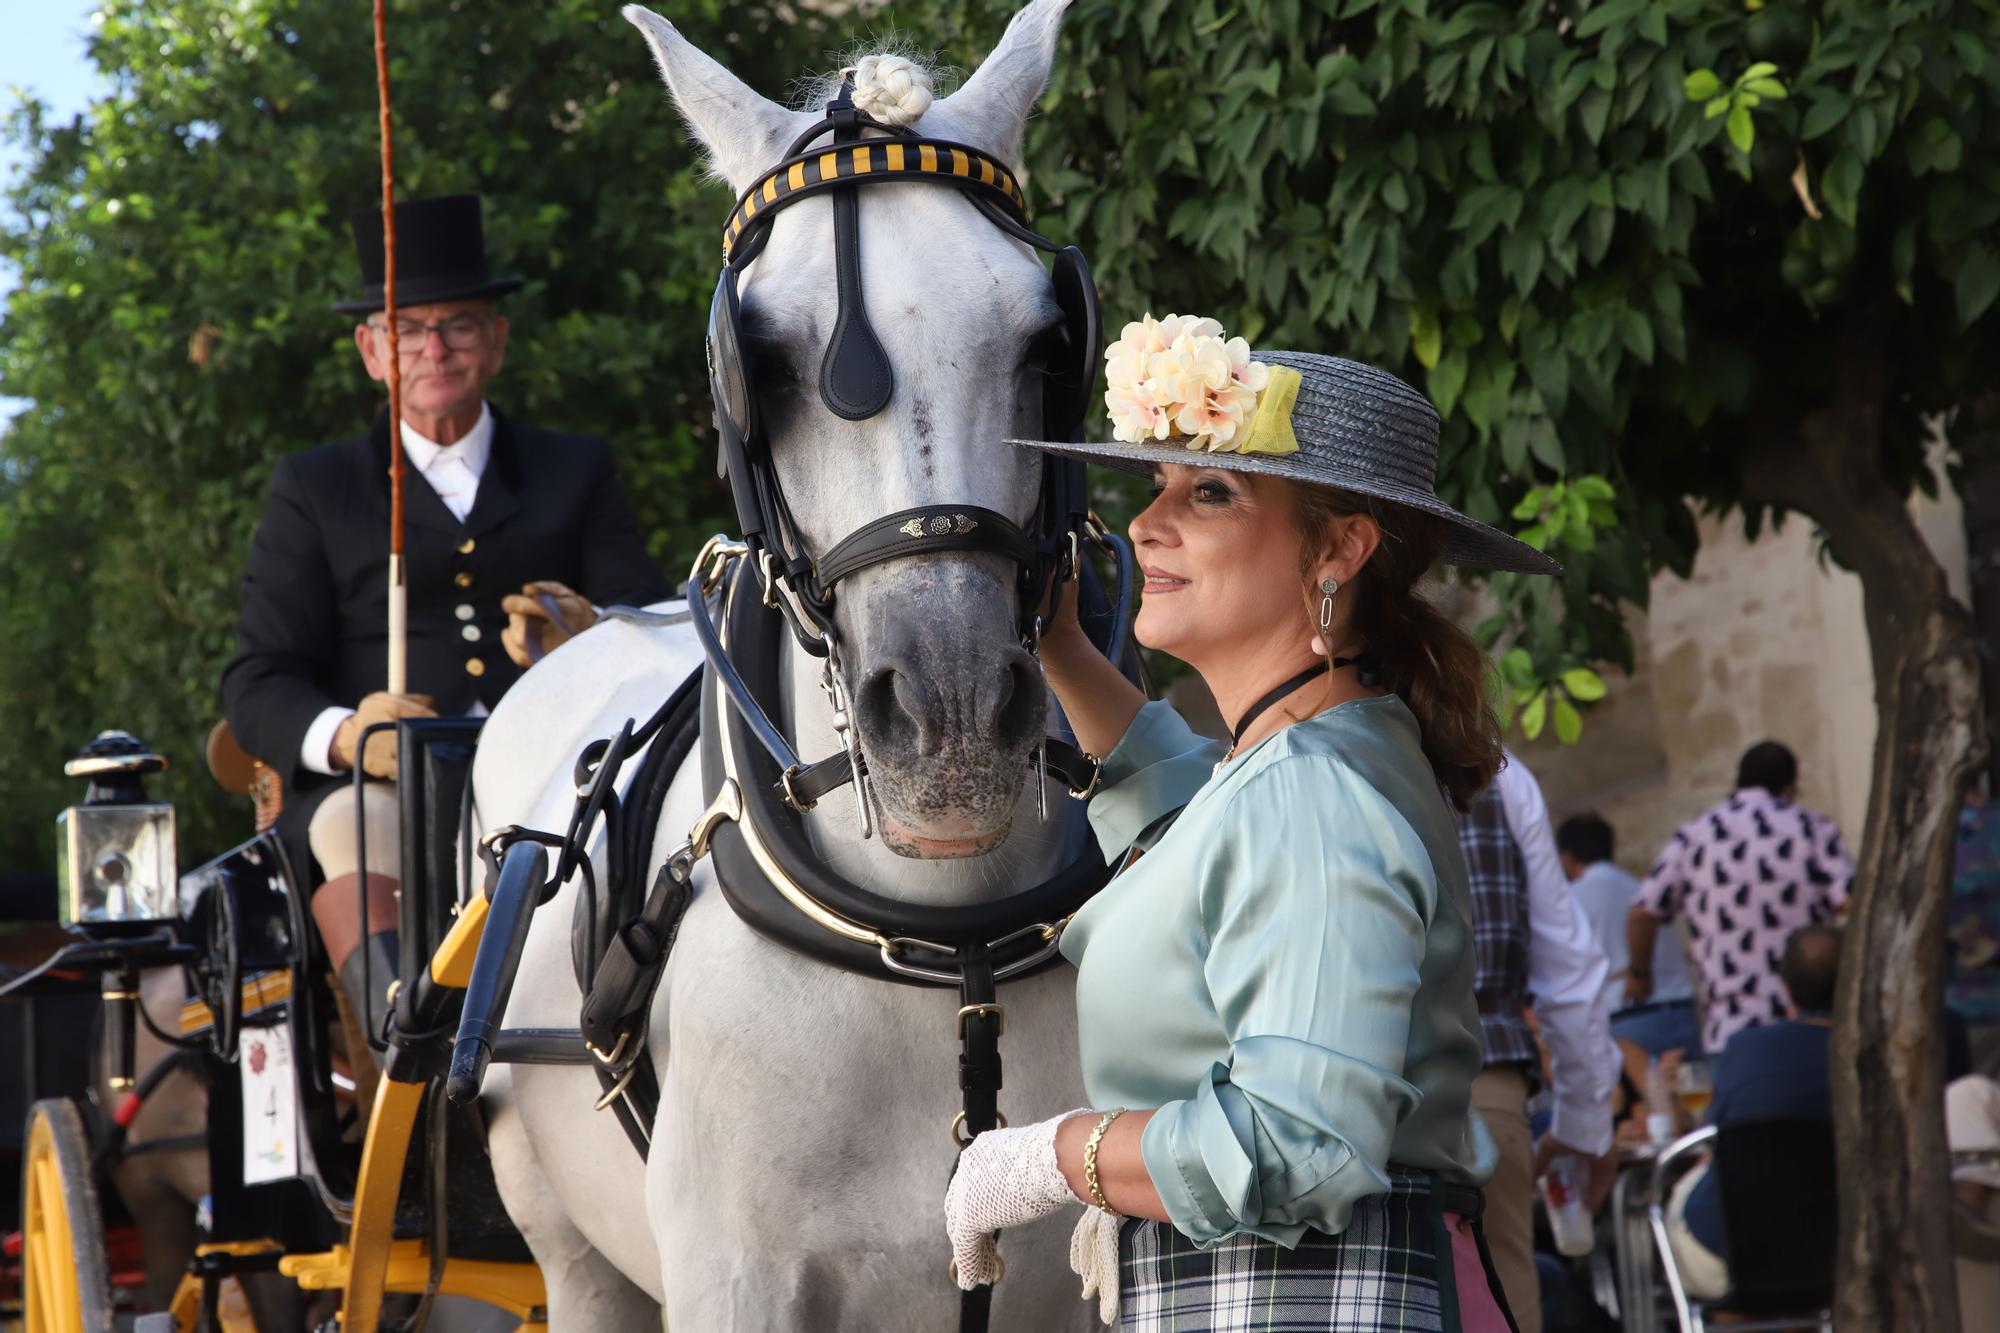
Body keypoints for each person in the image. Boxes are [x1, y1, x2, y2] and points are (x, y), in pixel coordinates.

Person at [941, 316, 1565, 1328]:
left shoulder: (1312, 788)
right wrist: (1059, 645)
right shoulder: (1313, 751)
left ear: (1338, 550)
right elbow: (1191, 819)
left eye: (1209, 491)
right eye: (1155, 486)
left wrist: (1055, 1154)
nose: (1145, 524)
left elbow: (1295, 1141)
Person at [220, 194, 667, 1047]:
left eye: (458, 325)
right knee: (358, 824)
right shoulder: (317, 488)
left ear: (495, 342)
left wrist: (596, 635)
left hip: (551, 777)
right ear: (372, 352)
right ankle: (410, 1057)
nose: (435, 348)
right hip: (382, 793)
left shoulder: (574, 470)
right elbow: (257, 678)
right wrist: (350, 736)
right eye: (408, 329)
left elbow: (651, 626)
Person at [1459, 756, 1618, 1333]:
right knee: (1503, 1300)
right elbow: (1568, 971)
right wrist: (1583, 1123)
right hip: (1483, 1079)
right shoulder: (1492, 767)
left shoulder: (1278, 749)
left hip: (1341, 1091)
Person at [1627, 741, 1853, 1060]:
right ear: (1789, 787)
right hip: (1810, 1026)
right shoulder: (1813, 827)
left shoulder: (1693, 836)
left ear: (1737, 783)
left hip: (1732, 1030)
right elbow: (1851, 900)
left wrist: (1640, 974)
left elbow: (1642, 913)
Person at [1662, 924, 1841, 1297]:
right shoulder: (1893, 1053)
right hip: (1848, 1250)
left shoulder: (1747, 1050)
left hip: (1731, 1257)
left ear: (1786, 990)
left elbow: (1711, 1145)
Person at [1558, 811, 1699, 1057]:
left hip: (1626, 1023)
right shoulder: (1642, 888)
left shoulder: (1570, 899)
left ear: (1567, 858)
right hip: (1681, 1014)